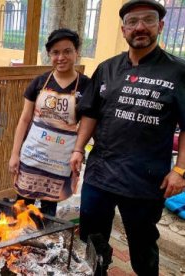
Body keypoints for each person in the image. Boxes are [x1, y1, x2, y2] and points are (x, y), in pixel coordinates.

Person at [69, 0, 185, 275]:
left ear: (160, 26)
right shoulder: (107, 68)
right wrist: (77, 149)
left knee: (142, 245)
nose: (140, 27)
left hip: (146, 180)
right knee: (92, 240)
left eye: (148, 20)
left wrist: (180, 170)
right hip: (100, 174)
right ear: (123, 29)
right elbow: (91, 114)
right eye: (133, 22)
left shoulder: (178, 72)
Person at [8, 29, 90, 216]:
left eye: (67, 51)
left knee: (49, 211)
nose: (61, 57)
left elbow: (87, 123)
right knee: (21, 206)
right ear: (49, 55)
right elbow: (24, 119)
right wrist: (15, 154)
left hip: (60, 160)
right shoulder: (39, 82)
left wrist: (78, 152)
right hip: (32, 155)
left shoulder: (86, 85)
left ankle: (44, 242)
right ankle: (15, 242)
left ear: (76, 52)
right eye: (55, 52)